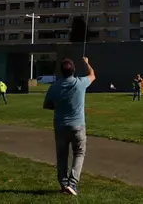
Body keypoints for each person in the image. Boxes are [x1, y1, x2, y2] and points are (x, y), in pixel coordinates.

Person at [44, 57, 96, 196]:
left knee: (61, 156)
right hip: (78, 125)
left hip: (60, 126)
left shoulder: (54, 86)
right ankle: (72, 183)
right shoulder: (80, 83)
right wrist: (86, 63)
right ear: (74, 70)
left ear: (61, 72)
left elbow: (47, 105)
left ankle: (63, 184)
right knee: (79, 153)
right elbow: (92, 75)